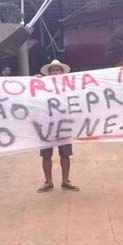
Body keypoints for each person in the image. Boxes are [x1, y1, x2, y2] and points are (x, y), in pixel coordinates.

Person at [37, 59, 79, 193]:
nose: (55, 72)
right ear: (48, 74)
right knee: (46, 155)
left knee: (65, 154)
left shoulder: (69, 87)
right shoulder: (41, 86)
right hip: (46, 125)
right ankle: (48, 181)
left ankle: (65, 180)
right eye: (53, 70)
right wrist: (33, 82)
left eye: (57, 70)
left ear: (62, 72)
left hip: (64, 124)